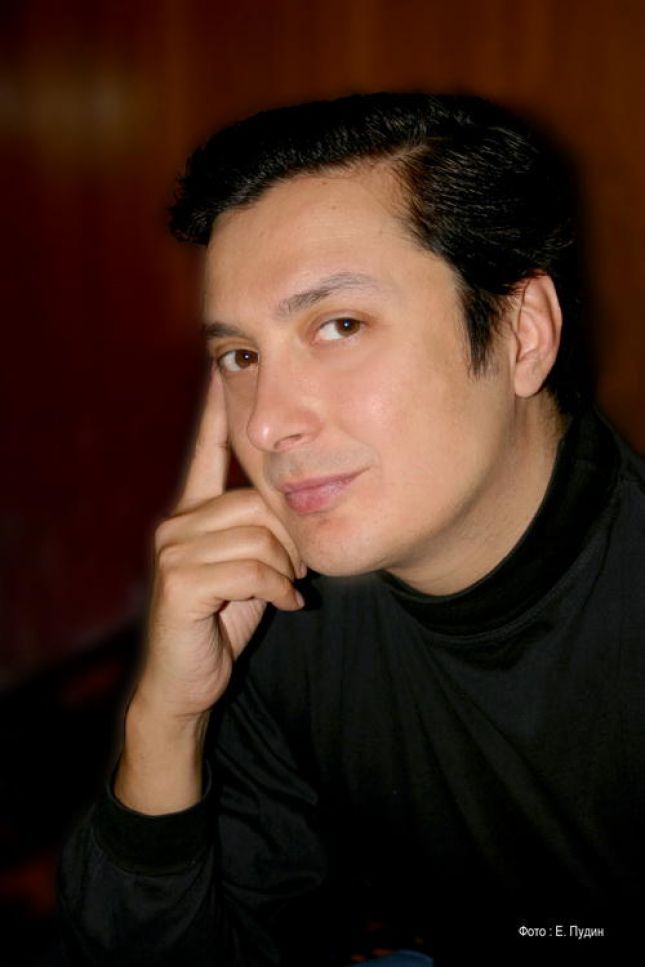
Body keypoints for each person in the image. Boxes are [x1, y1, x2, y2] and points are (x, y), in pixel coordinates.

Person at [58, 92, 644, 966]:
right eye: (240, 356)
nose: (267, 424)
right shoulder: (278, 608)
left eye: (339, 326)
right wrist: (167, 717)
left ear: (522, 334)